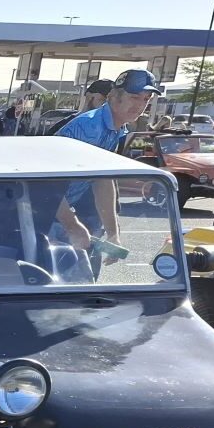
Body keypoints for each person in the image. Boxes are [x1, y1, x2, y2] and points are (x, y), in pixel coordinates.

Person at [53, 68, 163, 274]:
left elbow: (102, 180)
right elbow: (47, 182)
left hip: (55, 210)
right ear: (113, 96)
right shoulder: (90, 128)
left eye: (146, 99)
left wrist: (113, 233)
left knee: (79, 278)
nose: (140, 105)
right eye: (134, 97)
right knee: (66, 282)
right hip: (36, 212)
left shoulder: (114, 128)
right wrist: (71, 224)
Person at [46, 79, 114, 136]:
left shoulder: (113, 131)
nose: (107, 106)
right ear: (90, 97)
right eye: (104, 100)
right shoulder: (67, 125)